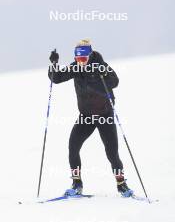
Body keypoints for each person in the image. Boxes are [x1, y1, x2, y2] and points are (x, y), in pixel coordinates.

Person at [48, 39, 133, 197]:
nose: (81, 62)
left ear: (90, 55)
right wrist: (54, 63)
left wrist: (104, 75)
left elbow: (115, 81)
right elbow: (56, 77)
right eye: (78, 59)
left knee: (112, 153)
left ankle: (122, 185)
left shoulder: (100, 65)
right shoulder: (75, 67)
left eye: (83, 59)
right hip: (86, 116)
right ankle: (77, 184)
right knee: (73, 147)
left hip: (104, 115)